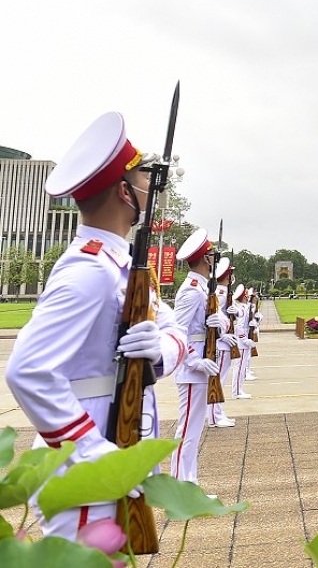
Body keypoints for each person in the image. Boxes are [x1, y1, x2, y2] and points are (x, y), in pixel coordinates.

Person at [4, 112, 187, 541]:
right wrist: (92, 453)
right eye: (144, 177)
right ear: (126, 192)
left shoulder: (121, 264)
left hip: (117, 441)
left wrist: (159, 349)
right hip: (86, 463)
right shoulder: (89, 271)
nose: (151, 187)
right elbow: (27, 370)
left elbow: (176, 331)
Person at [172, 227, 225, 484]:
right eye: (212, 255)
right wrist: (195, 361)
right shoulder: (192, 289)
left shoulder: (202, 287)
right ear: (205, 259)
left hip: (202, 366)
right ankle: (180, 487)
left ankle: (189, 483)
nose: (214, 259)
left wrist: (219, 328)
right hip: (193, 370)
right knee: (187, 433)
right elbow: (178, 331)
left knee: (194, 431)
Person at [207, 257, 237, 428]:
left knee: (221, 380)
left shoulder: (223, 291)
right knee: (217, 381)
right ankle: (214, 416)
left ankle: (218, 413)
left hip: (225, 340)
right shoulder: (220, 292)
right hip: (220, 342)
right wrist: (221, 334)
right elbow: (214, 316)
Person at [230, 284, 254, 399]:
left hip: (241, 340)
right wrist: (245, 339)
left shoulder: (242, 307)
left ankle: (239, 390)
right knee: (239, 367)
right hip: (241, 342)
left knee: (240, 367)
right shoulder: (243, 309)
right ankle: (237, 392)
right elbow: (239, 326)